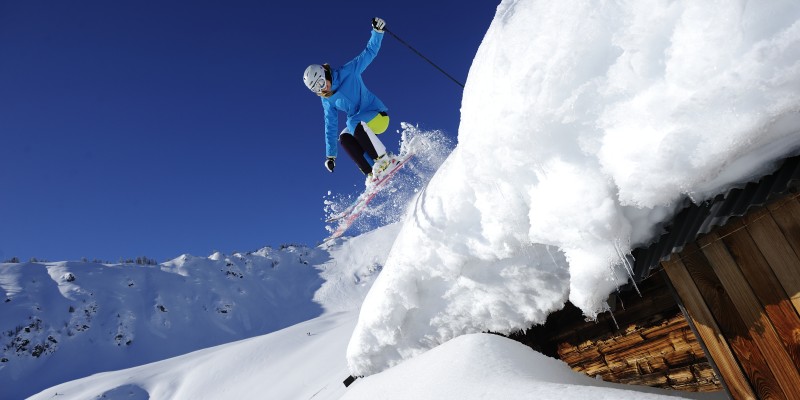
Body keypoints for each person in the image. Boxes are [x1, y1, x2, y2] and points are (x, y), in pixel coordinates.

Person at [303, 17, 394, 184]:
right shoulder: (327, 100)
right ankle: (371, 172)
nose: (323, 89)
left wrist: (377, 32)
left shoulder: (348, 72)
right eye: (317, 89)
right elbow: (330, 126)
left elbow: (369, 52)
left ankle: (383, 160)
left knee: (352, 122)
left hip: (378, 116)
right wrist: (330, 156)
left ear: (325, 73)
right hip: (360, 127)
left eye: (321, 83)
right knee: (344, 137)